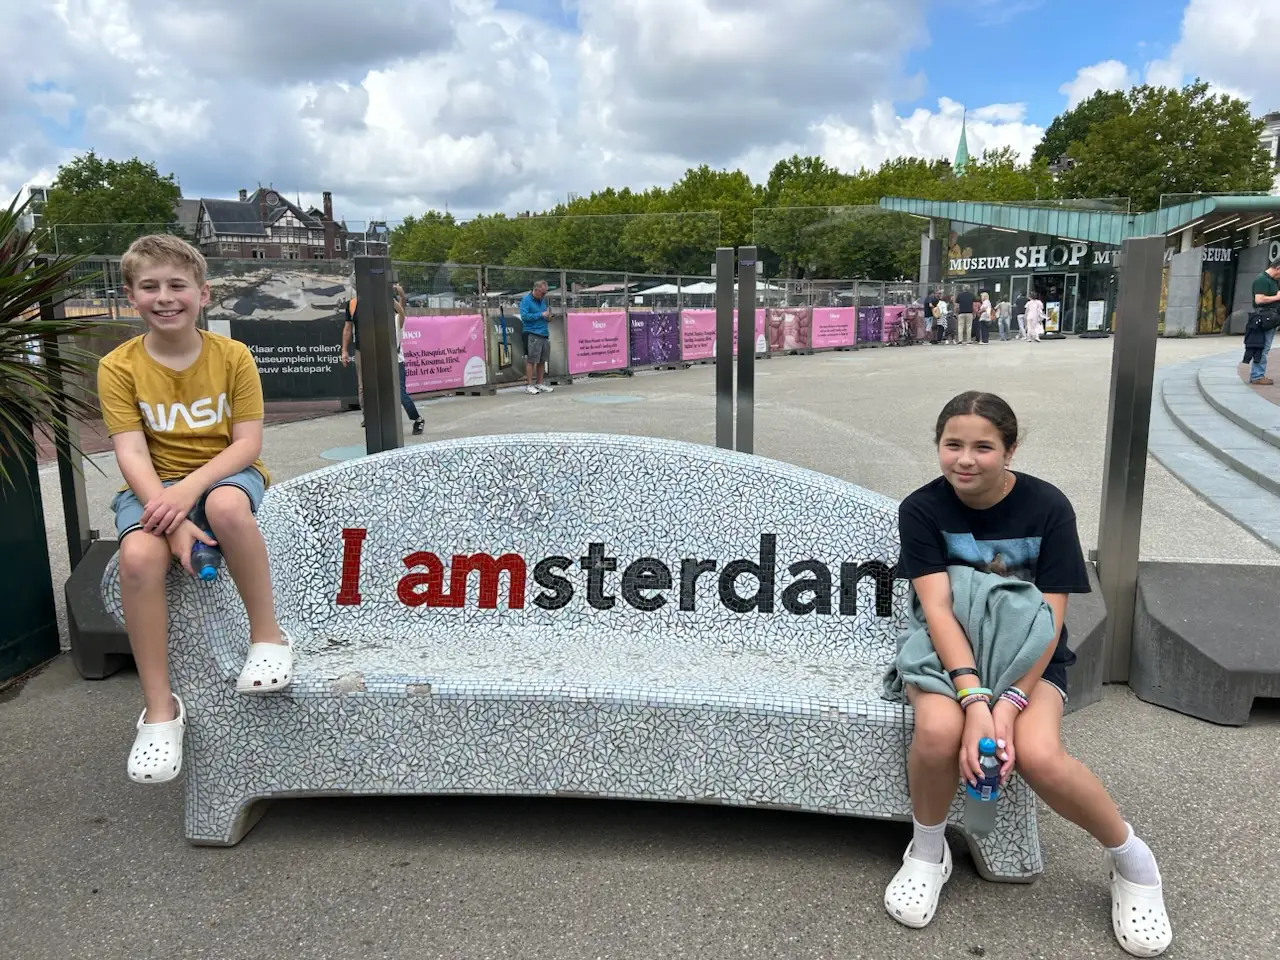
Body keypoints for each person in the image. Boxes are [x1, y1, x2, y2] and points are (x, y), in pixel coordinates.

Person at [885, 391, 1172, 957]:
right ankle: (926, 851)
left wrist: (1009, 701)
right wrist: (973, 701)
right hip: (947, 653)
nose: (965, 459)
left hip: (1028, 655)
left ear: (1010, 450)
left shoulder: (1047, 507)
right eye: (953, 445)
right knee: (939, 732)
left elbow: (1052, 615)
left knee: (1039, 754)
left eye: (983, 447)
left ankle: (1134, 862)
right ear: (938, 446)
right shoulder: (921, 509)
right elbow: (937, 610)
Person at [97, 235, 292, 784]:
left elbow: (246, 444)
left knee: (229, 509)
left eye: (177, 285)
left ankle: (269, 637)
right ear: (131, 296)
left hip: (222, 473)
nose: (165, 297)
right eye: (150, 286)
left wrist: (188, 497)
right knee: (137, 558)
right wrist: (173, 519)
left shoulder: (233, 356)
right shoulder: (118, 366)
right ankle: (160, 709)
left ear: (203, 294)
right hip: (152, 485)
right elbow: (130, 451)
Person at [341, 283, 424, 434]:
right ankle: (373, 418)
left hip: (395, 361)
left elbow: (401, 311)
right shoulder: (375, 323)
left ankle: (417, 418)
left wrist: (397, 296)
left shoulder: (397, 321)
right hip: (379, 360)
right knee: (372, 389)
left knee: (400, 393)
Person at [1247, 256, 1280, 385]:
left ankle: (1258, 374)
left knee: (1264, 347)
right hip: (1263, 318)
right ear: (1278, 268)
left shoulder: (1272, 281)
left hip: (1270, 318)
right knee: (1263, 347)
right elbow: (1259, 300)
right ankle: (1257, 375)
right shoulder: (1262, 280)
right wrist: (1277, 297)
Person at [519, 280, 553, 395]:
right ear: (536, 289)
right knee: (531, 359)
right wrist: (540, 315)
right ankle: (529, 385)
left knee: (542, 360)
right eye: (542, 293)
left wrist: (548, 317)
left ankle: (540, 383)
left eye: (545, 293)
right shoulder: (526, 300)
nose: (544, 295)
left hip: (543, 333)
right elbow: (524, 316)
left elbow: (545, 316)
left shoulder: (542, 301)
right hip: (532, 332)